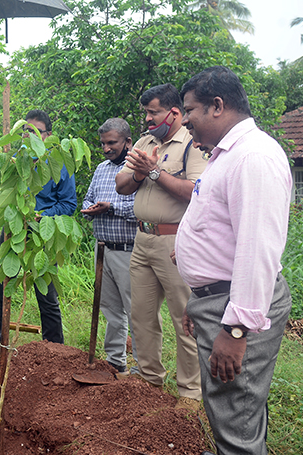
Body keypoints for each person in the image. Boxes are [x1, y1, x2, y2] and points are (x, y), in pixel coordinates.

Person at [177, 66, 292, 454]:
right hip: (217, 300)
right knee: (229, 404)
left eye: (189, 110)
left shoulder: (253, 157)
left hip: (234, 306)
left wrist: (237, 329)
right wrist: (200, 300)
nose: (186, 120)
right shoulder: (227, 155)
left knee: (236, 408)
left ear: (217, 106)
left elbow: (257, 249)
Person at [115, 83, 207, 407]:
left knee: (184, 317)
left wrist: (153, 172)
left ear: (174, 112)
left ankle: (191, 392)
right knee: (140, 315)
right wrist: (140, 173)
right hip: (142, 239)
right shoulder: (144, 141)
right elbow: (122, 185)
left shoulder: (192, 143)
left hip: (175, 241)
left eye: (153, 112)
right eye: (146, 113)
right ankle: (149, 377)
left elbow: (195, 190)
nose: (149, 118)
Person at [0, 110, 76, 347]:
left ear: (48, 135)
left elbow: (68, 203)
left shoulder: (58, 163)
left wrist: (40, 216)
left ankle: (53, 344)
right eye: (24, 131)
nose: (28, 136)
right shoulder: (12, 160)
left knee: (46, 292)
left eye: (34, 132)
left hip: (42, 233)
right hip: (13, 229)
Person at [80, 118, 138, 373]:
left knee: (135, 311)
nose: (106, 148)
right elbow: (88, 198)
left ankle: (143, 370)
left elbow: (141, 209)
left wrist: (111, 207)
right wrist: (92, 209)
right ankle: (116, 361)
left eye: (112, 143)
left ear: (127, 142)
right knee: (111, 309)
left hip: (129, 250)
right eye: (103, 143)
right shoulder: (102, 169)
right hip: (102, 248)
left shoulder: (138, 170)